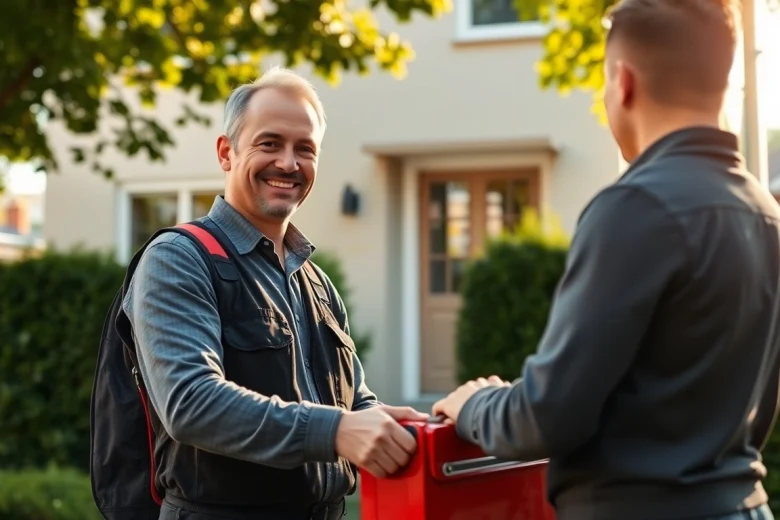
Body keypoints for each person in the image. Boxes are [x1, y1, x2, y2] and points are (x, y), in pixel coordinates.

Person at [433, 1, 780, 519]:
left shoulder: (636, 207)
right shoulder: (764, 212)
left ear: (622, 82)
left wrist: (473, 406)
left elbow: (547, 417)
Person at [124, 67, 428, 520]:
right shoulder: (179, 258)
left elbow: (350, 403)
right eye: (270, 144)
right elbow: (190, 402)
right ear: (226, 152)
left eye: (305, 149)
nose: (289, 163)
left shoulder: (317, 282)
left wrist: (393, 422)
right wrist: (338, 430)